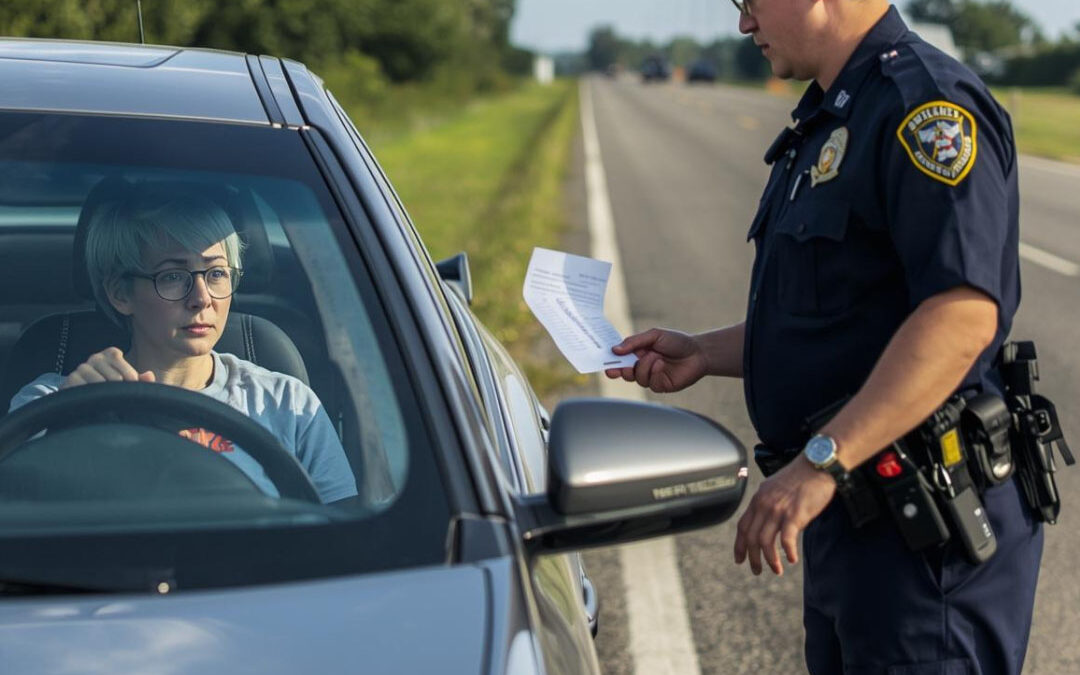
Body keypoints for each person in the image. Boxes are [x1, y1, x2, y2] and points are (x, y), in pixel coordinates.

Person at [606, 1, 1040, 673]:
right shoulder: (834, 113)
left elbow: (961, 316)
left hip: (925, 538)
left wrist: (821, 460)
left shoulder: (922, 105)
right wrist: (706, 351)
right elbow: (838, 315)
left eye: (748, 2)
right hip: (859, 517)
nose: (744, 24)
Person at [8, 185, 358, 505]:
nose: (202, 298)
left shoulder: (288, 404)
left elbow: (343, 537)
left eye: (217, 273)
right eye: (173, 276)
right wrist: (70, 425)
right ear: (120, 293)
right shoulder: (46, 405)